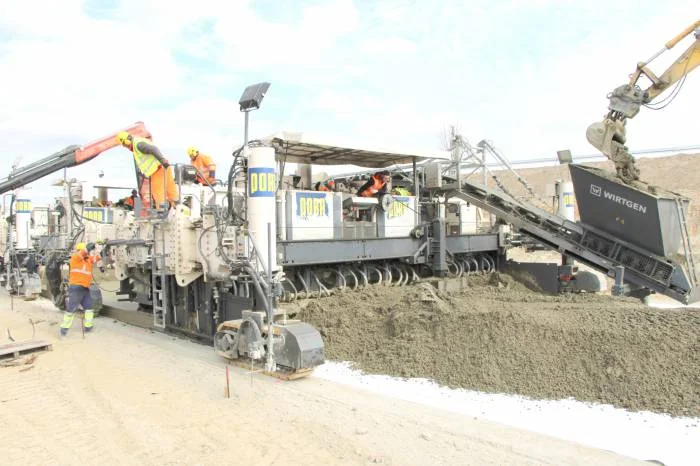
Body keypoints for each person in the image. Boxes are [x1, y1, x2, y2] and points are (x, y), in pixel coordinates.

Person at [116, 131, 178, 209]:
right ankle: (175, 208)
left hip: (158, 169)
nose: (124, 147)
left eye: (124, 145)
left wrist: (162, 160)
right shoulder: (138, 142)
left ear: (126, 141)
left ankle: (162, 213)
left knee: (158, 193)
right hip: (163, 167)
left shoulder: (138, 145)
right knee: (170, 191)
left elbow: (153, 149)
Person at [60, 242, 103, 336]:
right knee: (71, 308)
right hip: (76, 287)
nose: (86, 253)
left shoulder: (88, 260)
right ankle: (64, 328)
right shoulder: (75, 258)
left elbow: (97, 258)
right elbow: (82, 253)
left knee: (89, 307)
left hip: (85, 288)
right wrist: (88, 248)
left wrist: (101, 249)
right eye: (84, 251)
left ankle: (88, 326)